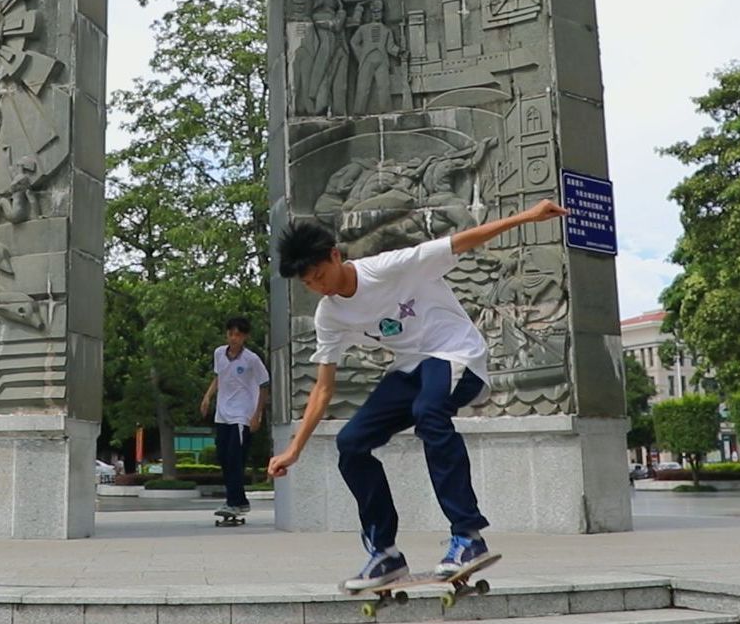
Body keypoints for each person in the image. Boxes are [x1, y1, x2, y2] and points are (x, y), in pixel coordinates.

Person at [268, 197, 570, 591]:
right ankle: (385, 553)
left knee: (429, 411)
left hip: (456, 353)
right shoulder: (330, 315)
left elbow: (462, 242)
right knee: (351, 443)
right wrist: (294, 449)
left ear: (335, 255)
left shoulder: (391, 267)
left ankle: (468, 535)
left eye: (320, 275)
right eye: (308, 284)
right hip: (411, 368)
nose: (319, 287)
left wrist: (529, 216)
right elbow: (324, 387)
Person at [199, 316, 270, 517]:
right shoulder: (219, 353)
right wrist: (207, 397)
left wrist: (257, 415)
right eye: (230, 334)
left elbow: (264, 385)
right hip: (222, 414)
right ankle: (240, 501)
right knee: (223, 457)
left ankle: (234, 502)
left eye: (238, 335)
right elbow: (218, 377)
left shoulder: (251, 360)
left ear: (245, 336)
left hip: (242, 415)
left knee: (234, 458)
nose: (233, 338)